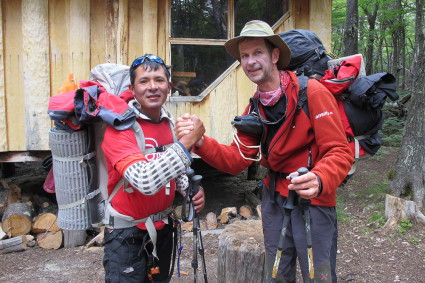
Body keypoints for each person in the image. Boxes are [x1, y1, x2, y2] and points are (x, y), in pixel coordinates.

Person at [175, 20, 354, 282]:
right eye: (244, 56)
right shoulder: (256, 107)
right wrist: (200, 140)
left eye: (257, 52)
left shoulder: (311, 92)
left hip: (313, 200)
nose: (250, 61)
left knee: (319, 276)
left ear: (274, 55)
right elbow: (236, 160)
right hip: (274, 202)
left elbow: (339, 150)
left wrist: (319, 178)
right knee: (277, 274)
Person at [101, 54, 206, 282]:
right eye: (144, 81)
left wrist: (190, 189)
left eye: (159, 80)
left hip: (163, 230)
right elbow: (144, 181)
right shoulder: (120, 128)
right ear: (133, 88)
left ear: (168, 87)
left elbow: (174, 170)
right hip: (126, 235)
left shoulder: (168, 123)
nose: (152, 87)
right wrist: (187, 142)